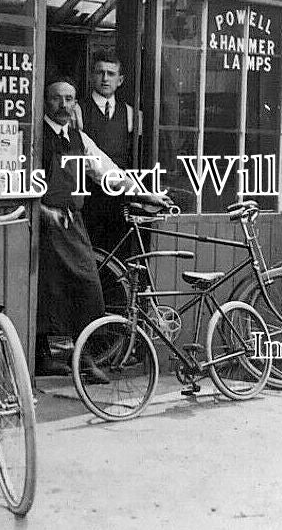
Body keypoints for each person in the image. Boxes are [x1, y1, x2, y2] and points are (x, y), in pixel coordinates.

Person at [37, 78, 169, 379]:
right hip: (41, 222)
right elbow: (20, 178)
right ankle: (43, 357)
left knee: (87, 286)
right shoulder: (36, 135)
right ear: (46, 101)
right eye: (57, 98)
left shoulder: (79, 139)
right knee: (46, 289)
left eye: (69, 99)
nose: (63, 105)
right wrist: (41, 210)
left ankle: (84, 357)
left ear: (75, 103)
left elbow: (107, 172)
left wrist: (144, 195)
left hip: (71, 222)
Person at [76, 51, 135, 256]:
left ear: (120, 80)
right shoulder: (78, 110)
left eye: (111, 74)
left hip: (119, 197)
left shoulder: (130, 113)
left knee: (117, 253)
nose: (105, 78)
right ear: (92, 76)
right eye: (100, 72)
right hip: (89, 196)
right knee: (90, 252)